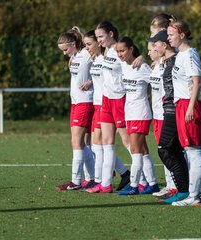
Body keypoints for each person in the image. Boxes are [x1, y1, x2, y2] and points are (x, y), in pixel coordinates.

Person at [82, 30, 131, 192]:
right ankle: (107, 181)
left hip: (115, 101)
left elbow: (130, 62)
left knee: (118, 143)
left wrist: (140, 58)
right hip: (103, 102)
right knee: (101, 144)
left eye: (99, 37)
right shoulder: (101, 54)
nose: (88, 47)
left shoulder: (113, 51)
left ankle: (139, 179)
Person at [147, 30, 190, 203]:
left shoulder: (176, 60)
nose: (153, 47)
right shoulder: (167, 61)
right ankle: (184, 190)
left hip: (174, 109)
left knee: (165, 149)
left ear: (164, 46)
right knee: (174, 150)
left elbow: (197, 81)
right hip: (170, 110)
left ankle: (184, 189)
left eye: (156, 44)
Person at [167, 16, 201, 206]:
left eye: (171, 34)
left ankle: (195, 196)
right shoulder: (180, 54)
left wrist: (190, 107)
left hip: (188, 106)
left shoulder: (190, 54)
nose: (168, 38)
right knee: (188, 150)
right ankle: (194, 194)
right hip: (181, 104)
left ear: (182, 35)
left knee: (193, 151)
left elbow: (197, 82)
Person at [115, 37, 159, 195]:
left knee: (135, 150)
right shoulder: (122, 64)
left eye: (122, 51)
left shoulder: (142, 67)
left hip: (141, 113)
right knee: (143, 150)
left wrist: (143, 58)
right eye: (117, 51)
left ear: (131, 49)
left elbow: (158, 81)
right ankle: (153, 183)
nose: (119, 54)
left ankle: (134, 186)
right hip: (130, 113)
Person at [55, 26, 95, 190]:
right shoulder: (76, 56)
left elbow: (103, 65)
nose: (64, 53)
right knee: (82, 142)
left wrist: (91, 82)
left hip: (85, 101)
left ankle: (76, 182)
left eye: (65, 49)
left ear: (73, 44)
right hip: (76, 102)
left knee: (76, 142)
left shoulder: (86, 54)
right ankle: (94, 177)